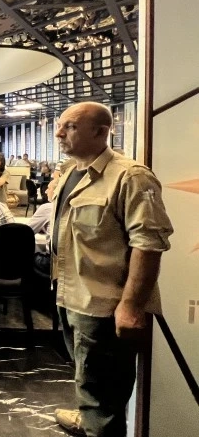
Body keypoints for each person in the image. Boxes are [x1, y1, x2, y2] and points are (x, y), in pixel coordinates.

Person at [51, 102, 173, 437]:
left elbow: (148, 243)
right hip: (71, 295)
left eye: (69, 126)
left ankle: (98, 425)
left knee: (103, 392)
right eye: (60, 125)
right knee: (87, 376)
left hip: (103, 306)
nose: (59, 133)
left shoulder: (130, 176)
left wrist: (131, 306)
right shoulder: (72, 172)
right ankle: (89, 418)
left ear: (100, 131)